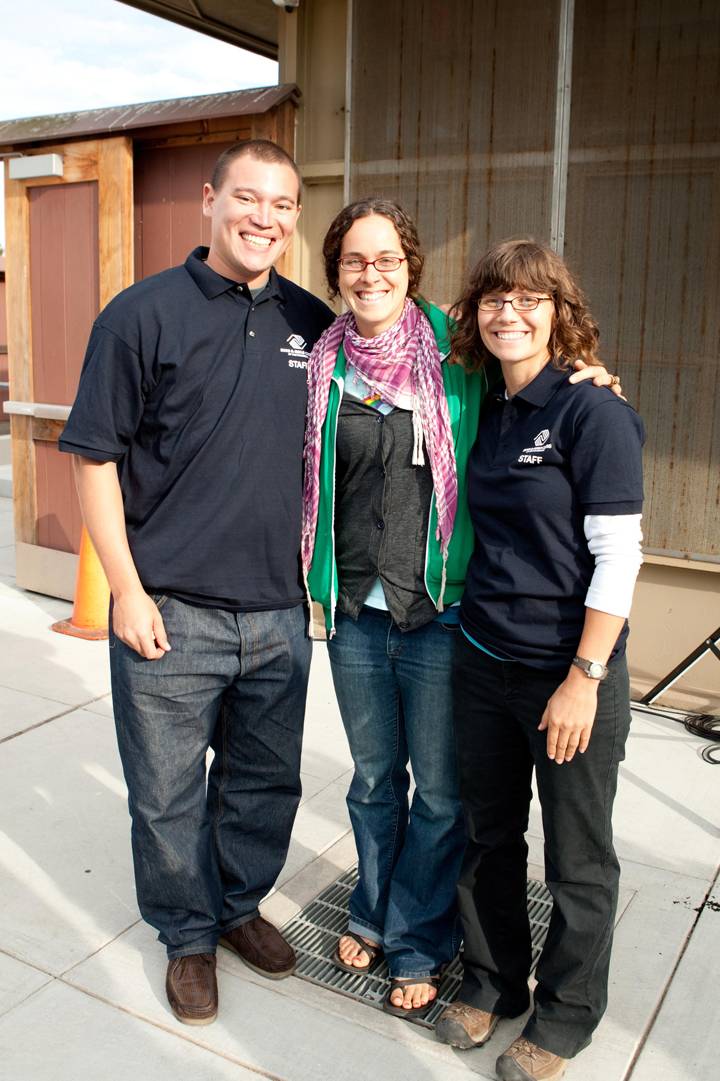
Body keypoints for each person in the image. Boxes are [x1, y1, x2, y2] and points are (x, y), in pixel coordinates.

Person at [301, 204, 620, 1019]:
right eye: (352, 260)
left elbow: (538, 366)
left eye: (387, 258)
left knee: (442, 796)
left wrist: (591, 373)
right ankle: (372, 910)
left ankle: (416, 937)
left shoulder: (457, 351)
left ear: (411, 266)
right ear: (335, 269)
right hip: (357, 614)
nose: (370, 273)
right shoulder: (321, 363)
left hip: (442, 613)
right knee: (375, 781)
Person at [59, 139, 334, 1027]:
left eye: (283, 204)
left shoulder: (311, 322)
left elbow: (407, 365)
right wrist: (125, 593)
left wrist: (571, 372)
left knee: (263, 782)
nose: (265, 218)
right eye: (247, 198)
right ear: (208, 203)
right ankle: (187, 936)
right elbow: (94, 461)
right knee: (168, 792)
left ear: (296, 217)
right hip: (168, 610)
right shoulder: (140, 315)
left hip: (278, 611)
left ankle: (238, 905)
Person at [434, 239, 644, 1081]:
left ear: (560, 314)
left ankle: (564, 1017)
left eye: (529, 299)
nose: (508, 313)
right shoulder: (485, 395)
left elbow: (618, 559)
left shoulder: (595, 413)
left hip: (568, 672)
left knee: (578, 858)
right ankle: (491, 980)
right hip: (484, 659)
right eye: (493, 298)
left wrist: (584, 679)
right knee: (488, 836)